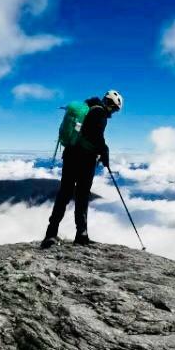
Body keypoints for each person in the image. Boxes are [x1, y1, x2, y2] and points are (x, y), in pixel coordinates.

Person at [41, 90, 123, 248]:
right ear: (110, 104)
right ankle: (81, 235)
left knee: (64, 194)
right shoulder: (100, 113)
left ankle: (50, 234)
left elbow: (87, 133)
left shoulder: (88, 108)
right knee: (82, 196)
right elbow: (95, 134)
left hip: (71, 156)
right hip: (86, 160)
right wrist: (104, 152)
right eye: (115, 109)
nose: (113, 112)